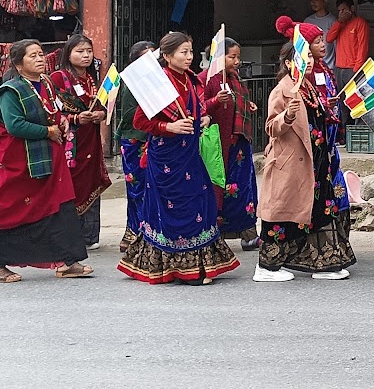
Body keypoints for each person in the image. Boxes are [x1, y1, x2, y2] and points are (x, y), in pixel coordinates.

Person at [118, 32, 241, 285]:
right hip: (166, 158)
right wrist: (168, 127)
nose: (189, 57)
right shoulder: (160, 83)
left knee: (202, 202)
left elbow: (198, 111)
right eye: (183, 52)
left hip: (190, 153)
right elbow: (140, 120)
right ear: (167, 56)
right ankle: (178, 268)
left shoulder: (191, 80)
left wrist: (207, 113)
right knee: (175, 209)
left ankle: (200, 263)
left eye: (190, 52)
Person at [0, 39, 92, 283]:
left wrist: (61, 121)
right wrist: (48, 132)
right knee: (12, 210)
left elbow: (53, 112)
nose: (40, 59)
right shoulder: (10, 91)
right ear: (18, 64)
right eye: (33, 56)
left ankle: (66, 261)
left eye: (41, 54)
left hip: (49, 158)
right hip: (20, 163)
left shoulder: (46, 85)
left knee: (59, 207)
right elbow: (14, 125)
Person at [256, 18, 355, 281]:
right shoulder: (282, 90)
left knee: (319, 210)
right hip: (291, 163)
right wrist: (286, 117)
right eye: (303, 58)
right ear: (289, 63)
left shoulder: (309, 87)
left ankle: (321, 263)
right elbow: (270, 128)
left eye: (309, 57)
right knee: (281, 214)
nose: (309, 61)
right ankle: (266, 267)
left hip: (316, 161)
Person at [47, 34, 112, 250]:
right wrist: (75, 118)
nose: (85, 56)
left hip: (90, 139)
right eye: (80, 51)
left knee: (91, 181)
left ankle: (89, 235)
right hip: (69, 143)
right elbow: (50, 111)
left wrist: (100, 116)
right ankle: (68, 235)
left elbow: (102, 106)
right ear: (68, 53)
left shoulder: (92, 79)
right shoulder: (57, 78)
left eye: (88, 51)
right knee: (70, 184)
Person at [205, 38, 259, 252]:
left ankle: (249, 234)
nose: (237, 61)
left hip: (240, 144)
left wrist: (247, 105)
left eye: (238, 56)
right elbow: (202, 107)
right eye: (232, 56)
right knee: (220, 189)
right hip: (221, 145)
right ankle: (217, 235)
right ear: (219, 57)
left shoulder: (235, 78)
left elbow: (238, 101)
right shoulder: (208, 79)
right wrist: (215, 101)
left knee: (245, 189)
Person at [113, 41, 154, 253]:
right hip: (135, 140)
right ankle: (135, 233)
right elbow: (129, 115)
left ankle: (142, 232)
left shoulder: (158, 79)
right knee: (137, 188)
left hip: (152, 138)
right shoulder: (130, 82)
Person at [327, 0, 370, 100]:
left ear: (352, 9)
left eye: (344, 10)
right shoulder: (340, 24)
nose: (342, 13)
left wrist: (357, 69)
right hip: (339, 68)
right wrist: (339, 22)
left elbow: (363, 47)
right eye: (339, 10)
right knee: (341, 100)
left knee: (354, 100)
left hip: (352, 69)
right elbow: (329, 38)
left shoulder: (360, 23)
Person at [304, 0, 339, 71]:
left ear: (325, 1)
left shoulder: (332, 21)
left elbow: (336, 45)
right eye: (311, 0)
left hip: (329, 66)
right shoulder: (308, 21)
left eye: (316, 0)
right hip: (312, 67)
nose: (313, 3)